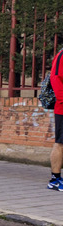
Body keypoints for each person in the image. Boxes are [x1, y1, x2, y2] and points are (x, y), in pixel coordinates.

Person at [49, 47, 63, 191]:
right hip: (62, 108)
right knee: (60, 143)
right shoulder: (62, 55)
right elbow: (55, 78)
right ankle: (55, 179)